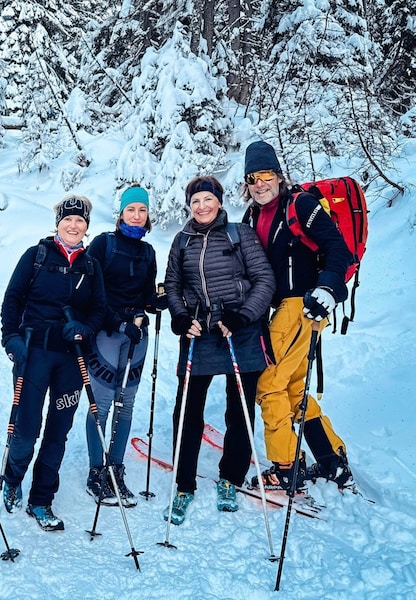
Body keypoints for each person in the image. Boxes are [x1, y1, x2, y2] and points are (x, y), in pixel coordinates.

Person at [240, 140, 355, 491]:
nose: (259, 184)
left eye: (265, 175)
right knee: (291, 387)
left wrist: (329, 287)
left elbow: (339, 248)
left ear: (278, 175)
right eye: (251, 178)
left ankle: (286, 466)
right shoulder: (252, 215)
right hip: (277, 309)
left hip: (301, 306)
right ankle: (331, 458)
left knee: (268, 383)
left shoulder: (300, 205)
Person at [164, 175, 275, 525]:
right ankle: (184, 483)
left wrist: (243, 316)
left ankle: (231, 477)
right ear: (189, 205)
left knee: (239, 409)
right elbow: (172, 284)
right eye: (195, 201)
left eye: (207, 200)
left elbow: (265, 280)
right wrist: (180, 317)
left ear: (219, 201)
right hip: (200, 332)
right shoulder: (182, 241)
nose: (202, 207)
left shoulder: (239, 234)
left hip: (238, 330)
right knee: (187, 409)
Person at [0, 195, 107, 531]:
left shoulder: (90, 266)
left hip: (71, 359)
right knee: (26, 428)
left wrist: (85, 328)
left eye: (80, 221)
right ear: (58, 222)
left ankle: (41, 500)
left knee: (58, 432)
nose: (74, 226)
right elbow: (12, 298)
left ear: (86, 227)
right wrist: (11, 338)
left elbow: (100, 309)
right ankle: (13, 478)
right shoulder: (37, 256)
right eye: (68, 220)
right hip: (33, 354)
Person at [83, 184, 166, 508]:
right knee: (101, 404)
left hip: (136, 334)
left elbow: (147, 296)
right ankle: (96, 471)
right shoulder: (104, 244)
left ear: (147, 216)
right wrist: (115, 321)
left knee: (126, 403)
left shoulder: (148, 253)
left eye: (141, 210)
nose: (136, 214)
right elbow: (89, 288)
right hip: (107, 332)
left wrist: (157, 302)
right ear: (121, 214)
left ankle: (115, 469)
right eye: (131, 209)